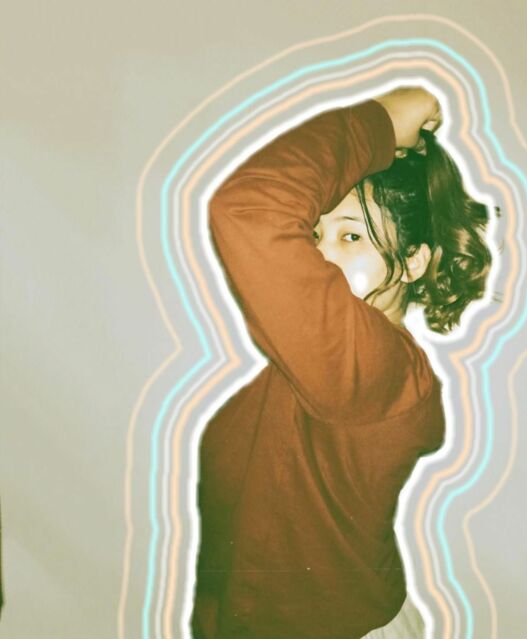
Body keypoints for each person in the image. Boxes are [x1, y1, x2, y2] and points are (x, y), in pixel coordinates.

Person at [191, 87, 492, 639]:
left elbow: (250, 209)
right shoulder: (337, 363)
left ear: (413, 262)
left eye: (350, 235)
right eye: (314, 234)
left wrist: (379, 123)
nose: (320, 255)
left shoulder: (369, 366)